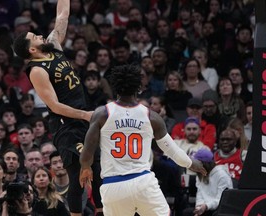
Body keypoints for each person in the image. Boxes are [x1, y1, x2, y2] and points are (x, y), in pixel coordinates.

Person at [79, 64, 206, 216]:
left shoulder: (102, 114)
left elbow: (87, 151)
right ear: (139, 88)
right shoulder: (152, 116)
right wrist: (191, 163)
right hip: (142, 182)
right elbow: (171, 150)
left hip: (113, 185)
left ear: (116, 87)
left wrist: (85, 167)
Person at [12, 0, 102, 215]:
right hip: (66, 124)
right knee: (78, 173)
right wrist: (86, 115)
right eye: (34, 37)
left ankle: (102, 211)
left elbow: (62, 15)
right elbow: (54, 105)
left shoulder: (54, 45)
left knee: (98, 172)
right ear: (32, 49)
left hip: (83, 118)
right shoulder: (36, 71)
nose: (39, 35)